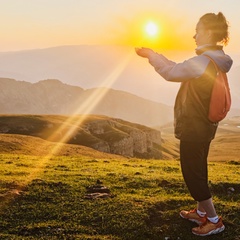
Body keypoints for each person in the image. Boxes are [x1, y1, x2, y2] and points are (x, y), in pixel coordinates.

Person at [135, 12, 232, 237]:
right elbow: (179, 67)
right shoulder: (216, 59)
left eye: (198, 30)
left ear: (208, 32)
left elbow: (171, 72)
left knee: (192, 172)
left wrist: (150, 55)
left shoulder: (202, 62)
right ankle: (201, 213)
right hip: (206, 125)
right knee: (199, 168)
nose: (194, 35)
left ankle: (214, 221)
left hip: (195, 127)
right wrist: (156, 54)